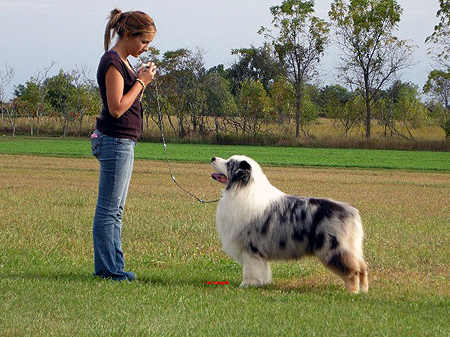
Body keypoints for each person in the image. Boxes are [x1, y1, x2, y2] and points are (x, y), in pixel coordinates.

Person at [91, 8, 157, 281]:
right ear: (128, 34)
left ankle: (115, 268)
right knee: (108, 210)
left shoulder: (125, 62)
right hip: (115, 141)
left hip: (123, 141)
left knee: (115, 210)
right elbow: (117, 108)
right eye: (144, 41)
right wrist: (141, 82)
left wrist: (139, 78)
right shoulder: (113, 62)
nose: (145, 48)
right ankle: (109, 271)